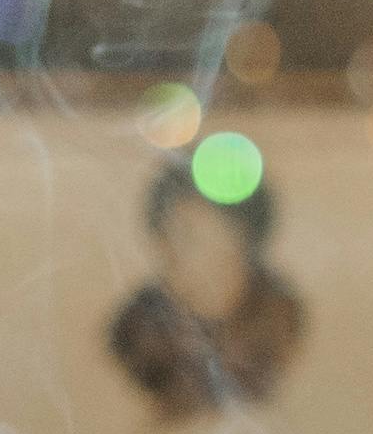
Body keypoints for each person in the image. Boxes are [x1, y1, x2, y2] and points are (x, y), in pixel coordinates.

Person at [105, 157, 306, 417]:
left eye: (191, 237)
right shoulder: (137, 331)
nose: (173, 252)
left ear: (239, 241)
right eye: (167, 235)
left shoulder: (278, 319)